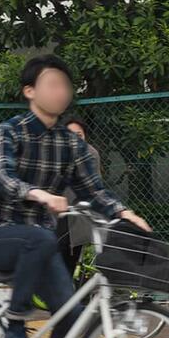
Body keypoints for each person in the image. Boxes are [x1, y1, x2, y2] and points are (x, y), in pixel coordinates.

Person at [0, 54, 150, 338]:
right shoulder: (9, 131)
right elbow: (3, 177)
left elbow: (92, 188)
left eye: (65, 86)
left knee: (72, 315)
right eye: (52, 84)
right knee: (40, 237)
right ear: (30, 91)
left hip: (38, 244)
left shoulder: (70, 142)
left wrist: (123, 213)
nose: (60, 92)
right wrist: (40, 195)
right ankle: (15, 327)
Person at [57, 115, 101, 277]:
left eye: (79, 135)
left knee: (69, 261)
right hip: (53, 214)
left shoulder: (91, 154)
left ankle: (66, 296)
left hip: (77, 216)